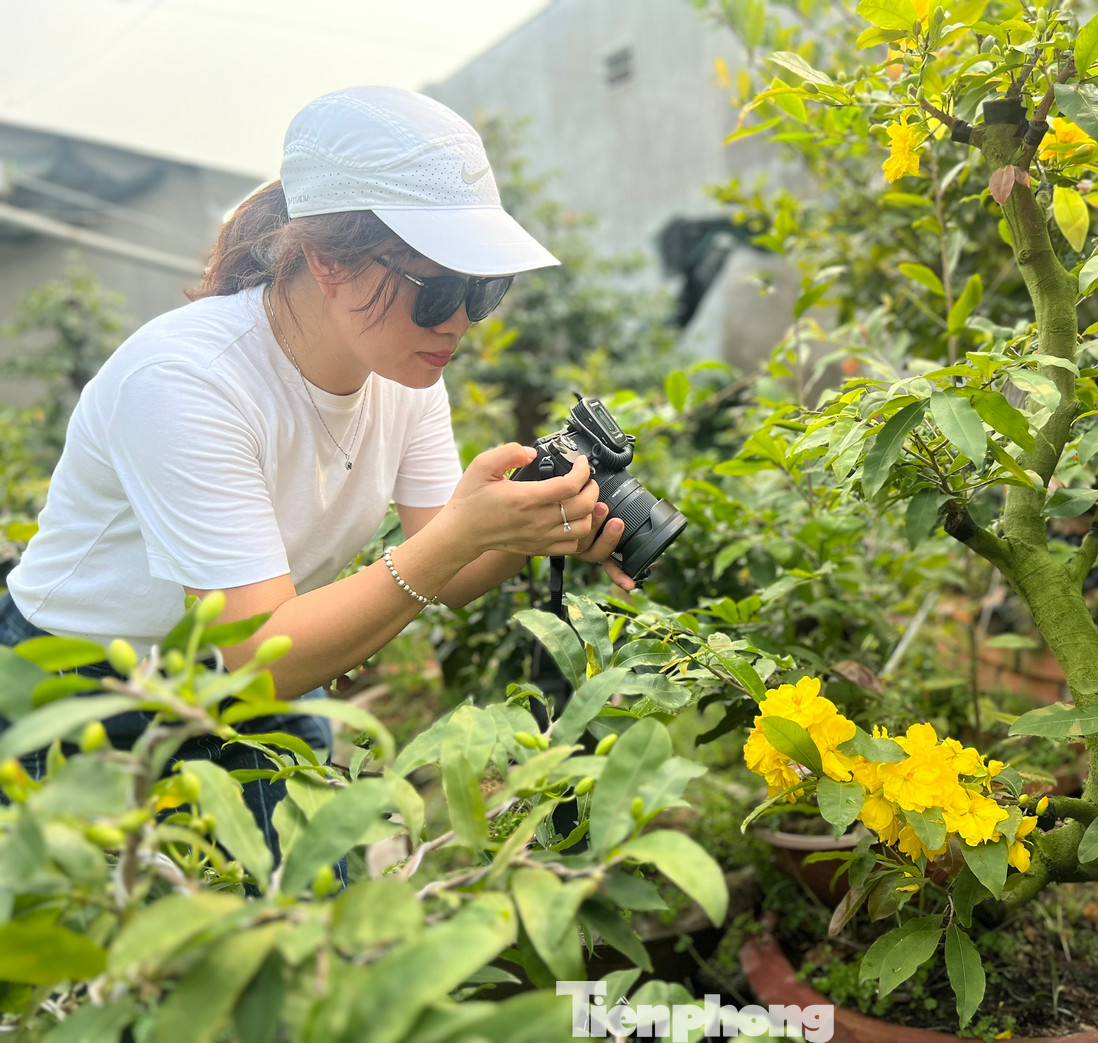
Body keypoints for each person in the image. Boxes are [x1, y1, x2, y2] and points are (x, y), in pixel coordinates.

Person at [0, 86, 634, 869]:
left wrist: (534, 525)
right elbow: (264, 649)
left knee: (313, 921)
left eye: (483, 290)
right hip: (81, 685)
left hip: (250, 671)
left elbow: (445, 566)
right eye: (438, 289)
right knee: (108, 957)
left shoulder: (408, 373)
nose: (460, 321)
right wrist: (465, 534)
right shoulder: (186, 379)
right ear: (329, 263)